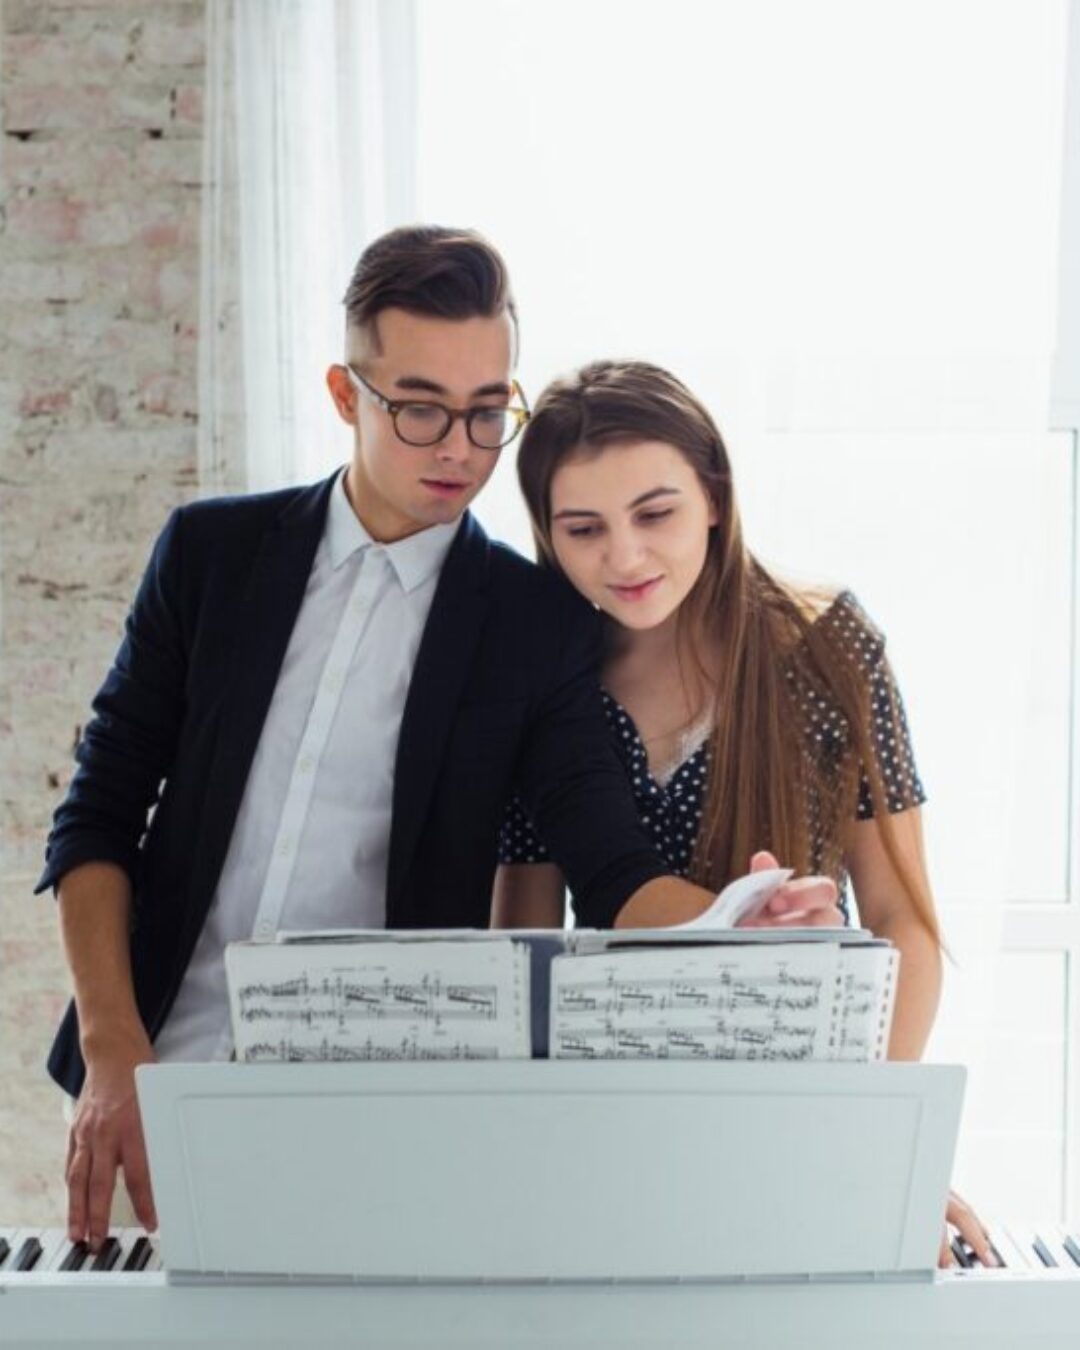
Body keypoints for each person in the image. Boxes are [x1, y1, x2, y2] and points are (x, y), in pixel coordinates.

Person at [37, 230, 841, 1253]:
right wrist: (113, 1052)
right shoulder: (210, 556)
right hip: (152, 1085)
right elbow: (99, 813)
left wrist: (740, 926)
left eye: (485, 411)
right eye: (419, 409)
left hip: (382, 1107)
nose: (458, 448)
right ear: (345, 394)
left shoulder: (533, 623)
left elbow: (611, 864)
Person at [491, 358, 992, 1266]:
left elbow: (900, 923)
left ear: (714, 497)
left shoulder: (826, 644)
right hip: (606, 1132)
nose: (626, 557)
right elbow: (519, 955)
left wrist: (881, 1147)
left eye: (656, 514)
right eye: (584, 529)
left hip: (802, 1118)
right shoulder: (547, 684)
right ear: (547, 535)